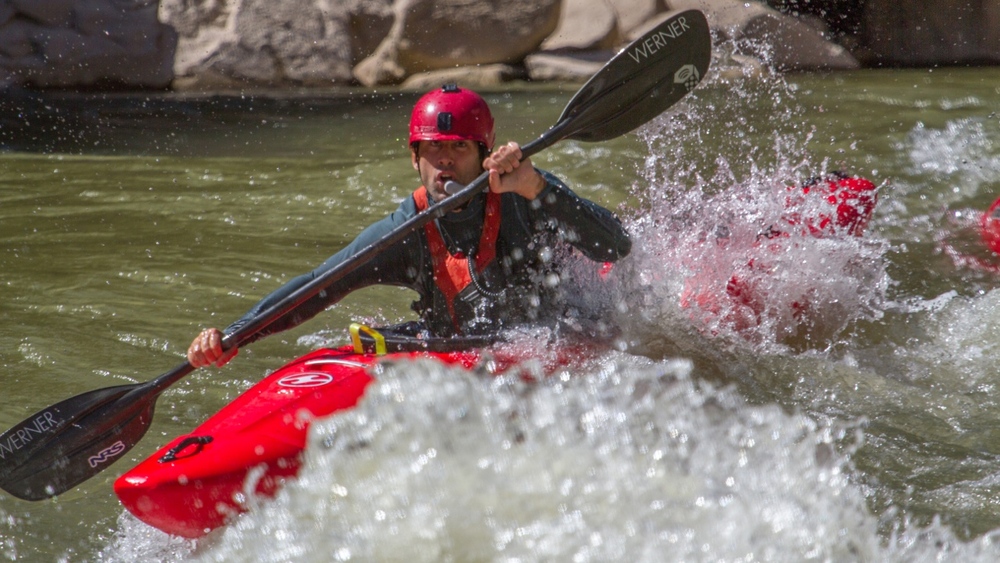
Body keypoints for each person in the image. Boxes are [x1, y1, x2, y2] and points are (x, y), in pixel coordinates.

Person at [187, 84, 632, 368]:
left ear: (483, 152)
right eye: (433, 150)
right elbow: (318, 285)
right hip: (466, 352)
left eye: (458, 148)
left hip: (565, 339)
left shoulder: (525, 190)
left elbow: (616, 246)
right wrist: (235, 336)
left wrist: (536, 186)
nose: (445, 162)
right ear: (414, 157)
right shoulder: (405, 232)